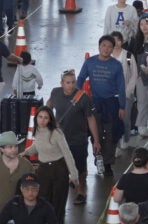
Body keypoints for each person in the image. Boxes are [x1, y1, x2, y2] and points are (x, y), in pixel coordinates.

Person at [46, 69, 100, 206]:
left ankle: (81, 191)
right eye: (67, 83)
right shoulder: (55, 92)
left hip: (78, 140)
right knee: (59, 166)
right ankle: (67, 184)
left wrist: (96, 140)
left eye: (73, 82)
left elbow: (90, 119)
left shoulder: (83, 98)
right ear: (62, 83)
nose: (71, 85)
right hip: (60, 140)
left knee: (80, 168)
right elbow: (49, 104)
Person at [76, 35, 126, 176]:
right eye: (104, 45)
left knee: (111, 134)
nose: (106, 49)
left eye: (110, 46)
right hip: (94, 103)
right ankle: (98, 160)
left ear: (112, 49)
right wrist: (76, 95)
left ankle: (108, 163)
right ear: (99, 47)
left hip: (111, 103)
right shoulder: (90, 62)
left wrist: (122, 106)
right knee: (95, 133)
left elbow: (121, 87)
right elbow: (80, 79)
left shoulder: (116, 65)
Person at [21, 107, 79, 224]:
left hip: (59, 170)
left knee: (58, 204)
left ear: (50, 119)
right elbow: (37, 146)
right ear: (36, 118)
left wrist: (74, 174)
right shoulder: (37, 130)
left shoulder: (56, 133)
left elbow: (67, 153)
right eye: (40, 117)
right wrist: (26, 152)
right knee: (43, 202)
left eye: (45, 118)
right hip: (43, 170)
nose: (42, 120)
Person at [0, 131, 34, 208]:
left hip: (19, 211)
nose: (14, 150)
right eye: (10, 147)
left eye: (16, 146)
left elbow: (33, 187)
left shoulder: (26, 165)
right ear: (2, 149)